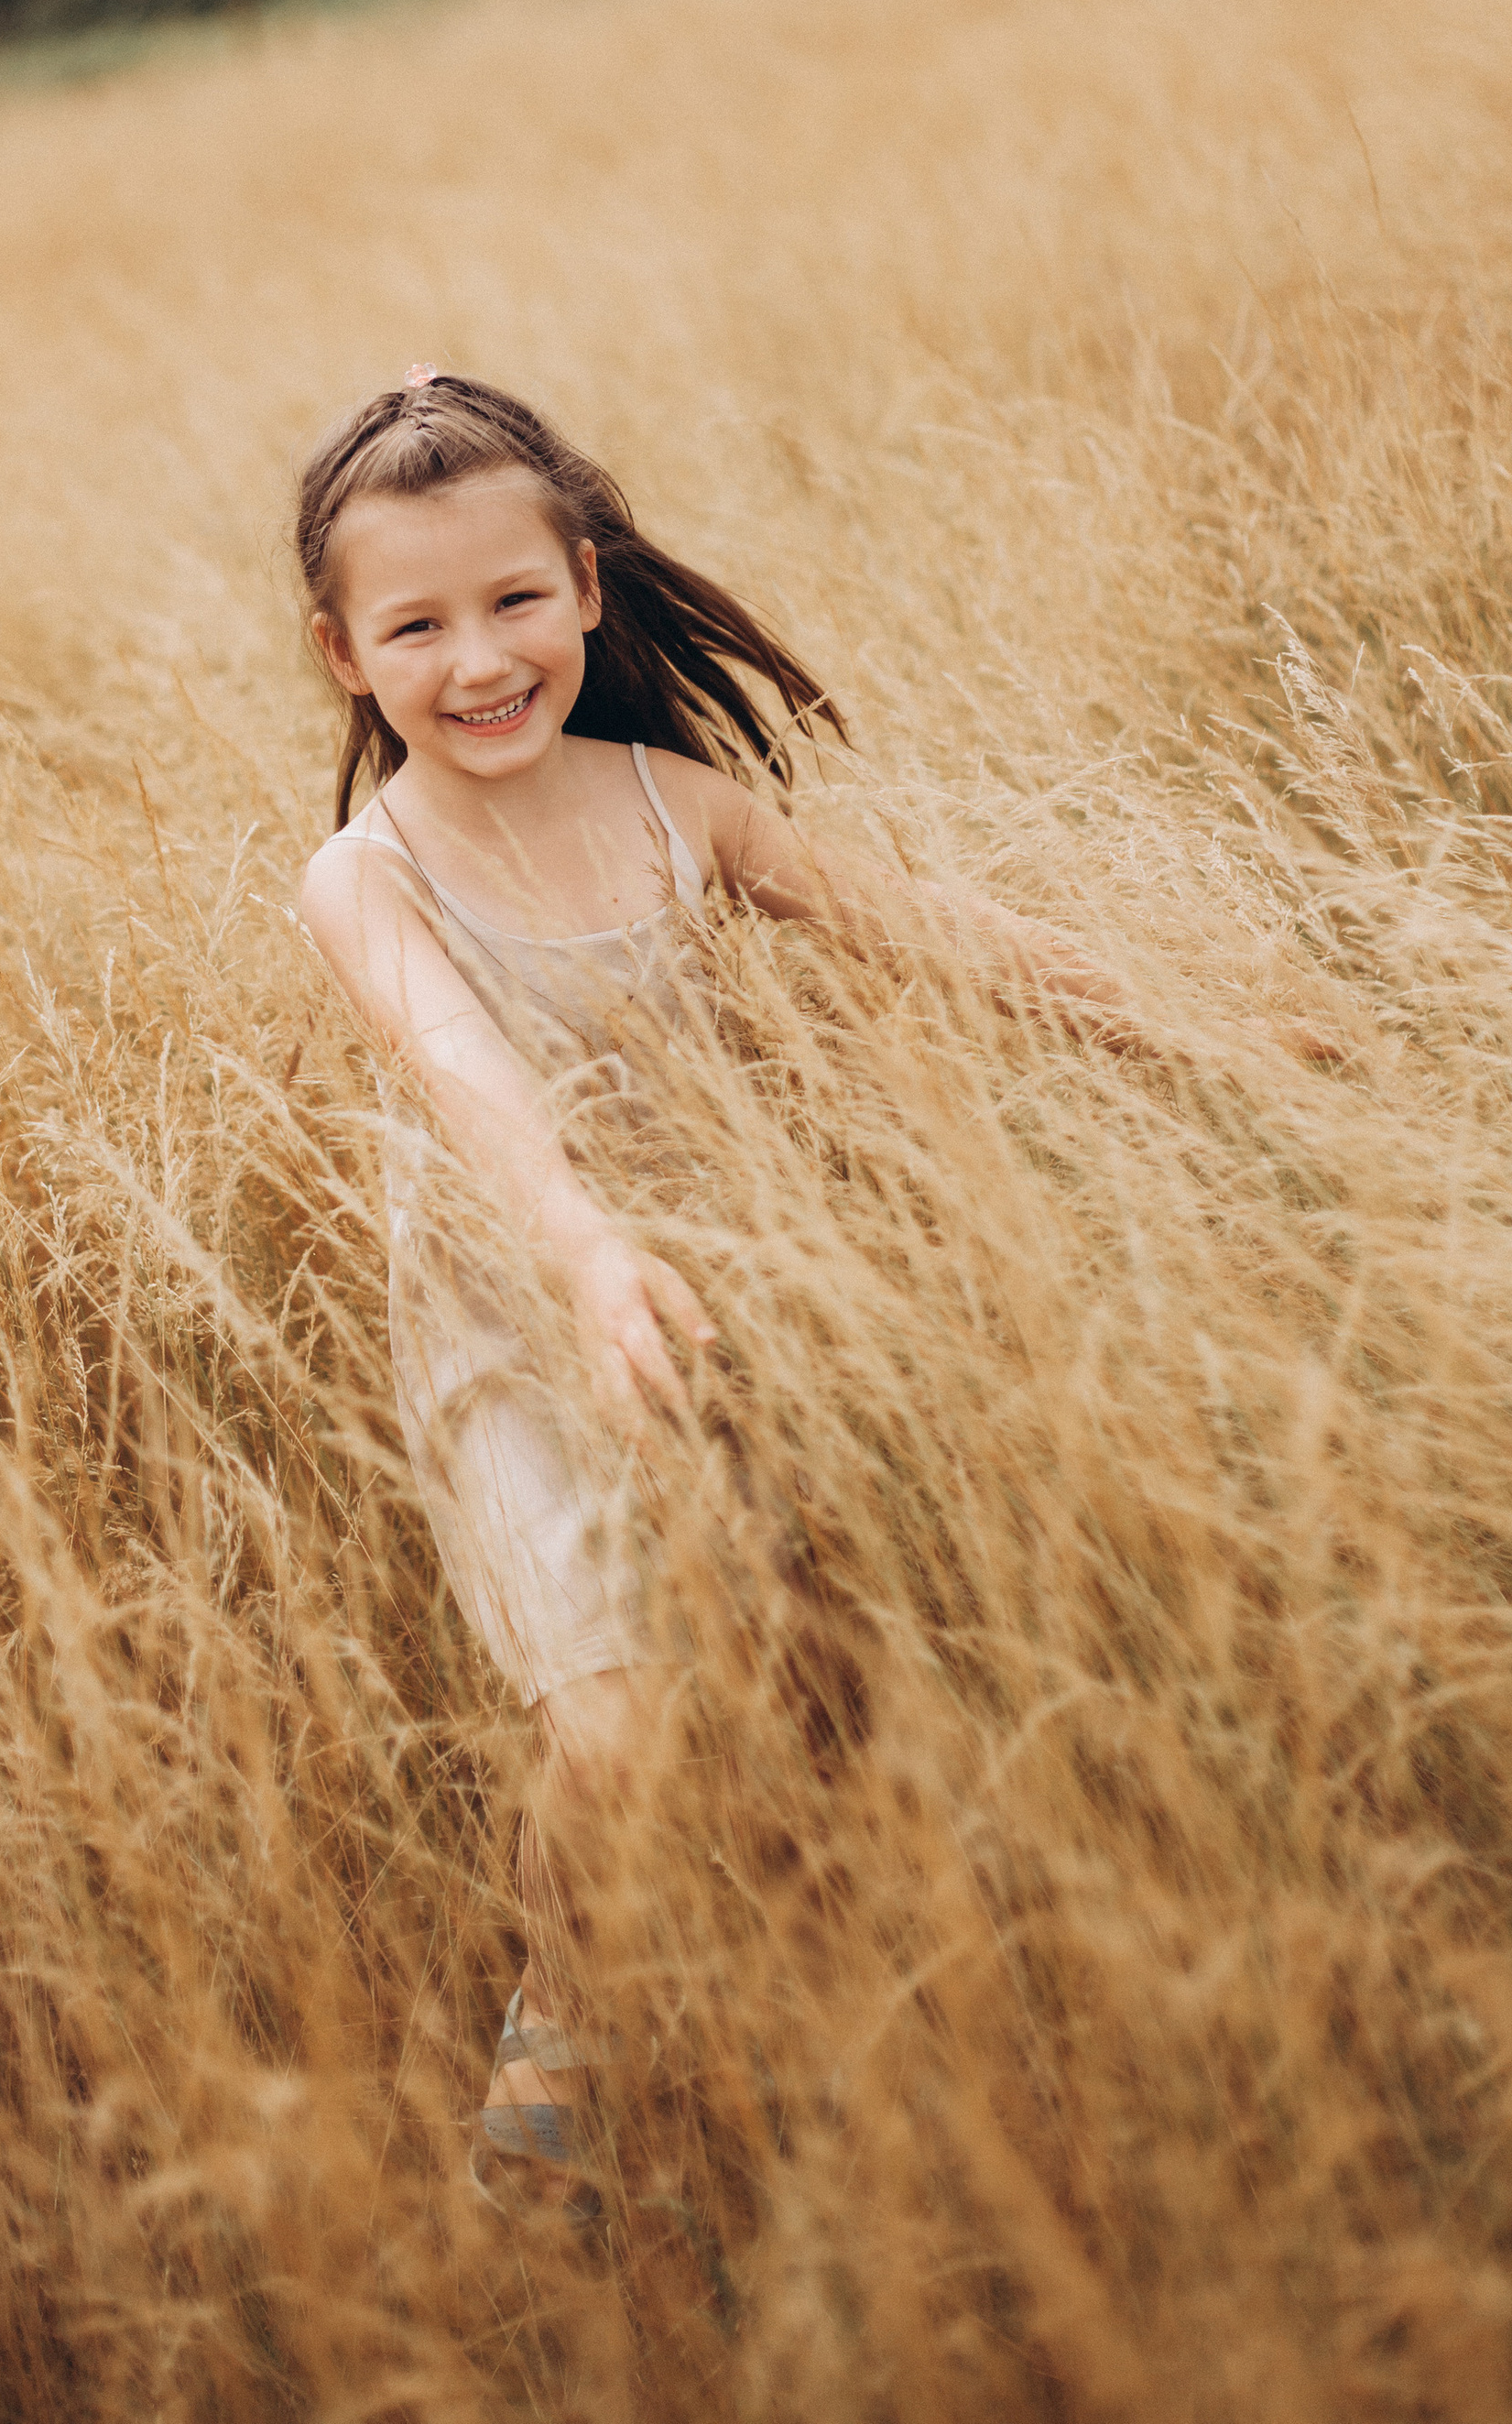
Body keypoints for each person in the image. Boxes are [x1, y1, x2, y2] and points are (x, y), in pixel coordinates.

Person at [292, 369, 1169, 2217]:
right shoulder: (364, 880)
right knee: (615, 1732)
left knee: (812, 1661)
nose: (478, 659)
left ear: (586, 589)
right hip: (517, 1317)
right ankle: (560, 2034)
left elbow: (924, 926)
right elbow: (468, 1079)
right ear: (342, 654)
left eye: (514, 599)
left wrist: (1167, 1012)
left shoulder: (677, 804)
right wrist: (585, 1245)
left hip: (733, 1290)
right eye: (417, 625)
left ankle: (837, 1978)